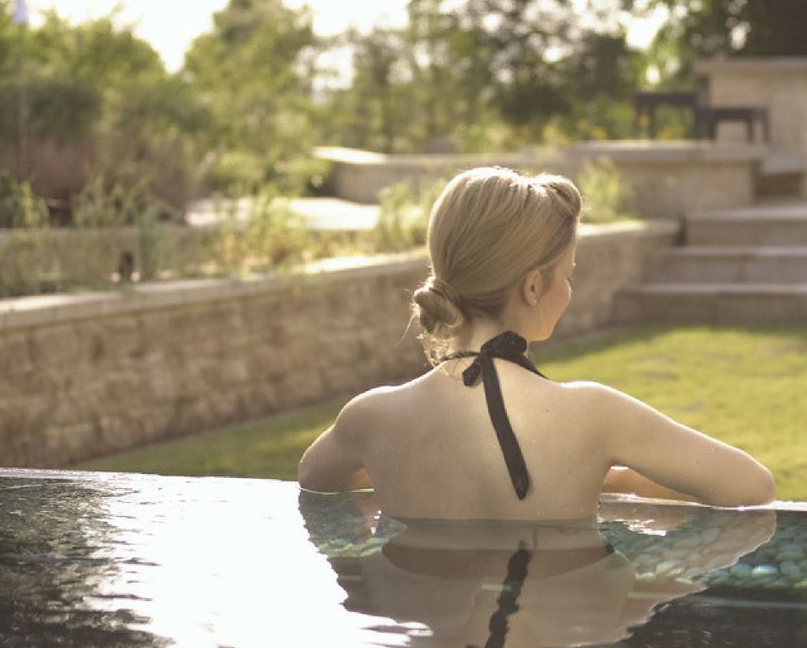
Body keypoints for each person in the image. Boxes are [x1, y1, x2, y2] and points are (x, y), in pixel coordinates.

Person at [298, 166, 776, 518]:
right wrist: (617, 479)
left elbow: (314, 483)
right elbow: (753, 487)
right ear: (532, 287)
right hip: (562, 632)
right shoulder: (595, 415)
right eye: (567, 275)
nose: (569, 289)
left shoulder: (371, 418)